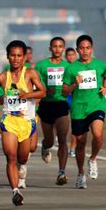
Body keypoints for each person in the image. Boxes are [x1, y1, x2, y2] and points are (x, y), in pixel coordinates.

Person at [0, 40, 45, 206]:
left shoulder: (30, 74)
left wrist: (27, 95)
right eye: (13, 55)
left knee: (23, 156)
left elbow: (43, 92)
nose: (16, 59)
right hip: (9, 121)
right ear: (7, 57)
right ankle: (15, 191)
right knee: (10, 156)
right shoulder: (1, 77)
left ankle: (23, 166)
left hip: (27, 121)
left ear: (24, 57)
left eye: (19, 56)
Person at [62, 35, 106, 189]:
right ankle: (81, 173)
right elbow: (64, 91)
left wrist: (105, 87)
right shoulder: (71, 69)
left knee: (97, 133)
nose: (85, 51)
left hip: (96, 105)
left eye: (87, 48)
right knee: (81, 143)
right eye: (82, 48)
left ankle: (93, 159)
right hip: (78, 108)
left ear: (92, 49)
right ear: (77, 50)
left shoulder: (100, 64)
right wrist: (74, 85)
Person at [35, 37, 70, 185]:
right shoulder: (42, 66)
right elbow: (34, 83)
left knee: (62, 138)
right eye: (54, 46)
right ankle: (45, 146)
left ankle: (61, 172)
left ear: (64, 48)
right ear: (50, 48)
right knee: (50, 140)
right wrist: (43, 90)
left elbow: (74, 83)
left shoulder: (69, 66)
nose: (57, 49)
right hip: (46, 105)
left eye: (60, 46)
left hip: (61, 104)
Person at [65, 47, 77, 158]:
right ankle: (59, 137)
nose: (71, 57)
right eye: (69, 55)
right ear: (66, 57)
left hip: (75, 98)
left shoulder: (79, 67)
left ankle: (72, 148)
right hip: (64, 98)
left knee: (75, 124)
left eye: (73, 55)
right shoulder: (63, 67)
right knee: (62, 122)